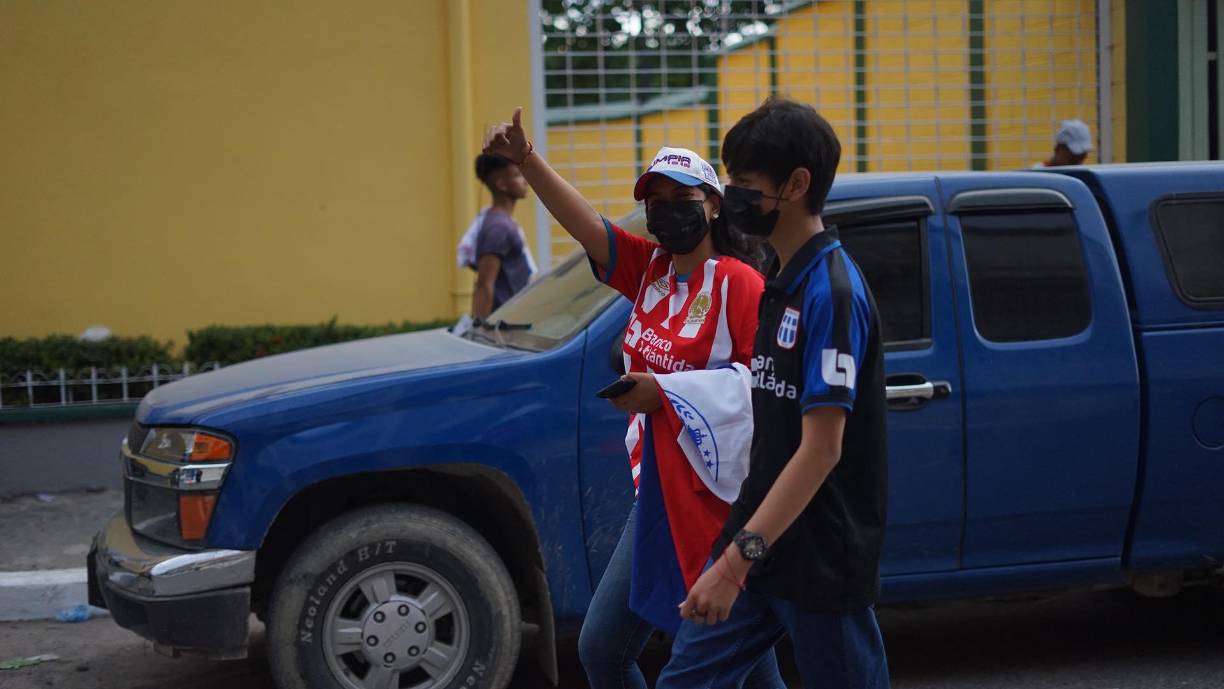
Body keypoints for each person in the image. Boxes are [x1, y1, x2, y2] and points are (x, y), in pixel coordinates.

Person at [483, 108, 783, 689]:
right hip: (657, 493)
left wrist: (665, 393)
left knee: (710, 658)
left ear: (714, 204)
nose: (667, 209)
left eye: (682, 197)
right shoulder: (649, 271)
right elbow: (584, 224)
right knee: (620, 652)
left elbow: (765, 388)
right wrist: (526, 160)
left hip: (719, 501)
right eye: (655, 199)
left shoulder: (737, 284)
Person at [657, 97, 891, 689]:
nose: (733, 195)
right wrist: (738, 550)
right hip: (758, 544)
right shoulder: (780, 282)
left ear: (797, 183)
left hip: (817, 560)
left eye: (744, 182)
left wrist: (734, 565)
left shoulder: (832, 294)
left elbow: (821, 450)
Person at [462, 153, 535, 319]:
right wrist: (478, 331)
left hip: (514, 320)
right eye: (517, 175)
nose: (525, 180)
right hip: (502, 328)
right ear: (502, 184)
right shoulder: (498, 227)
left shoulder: (503, 221)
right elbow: (484, 285)